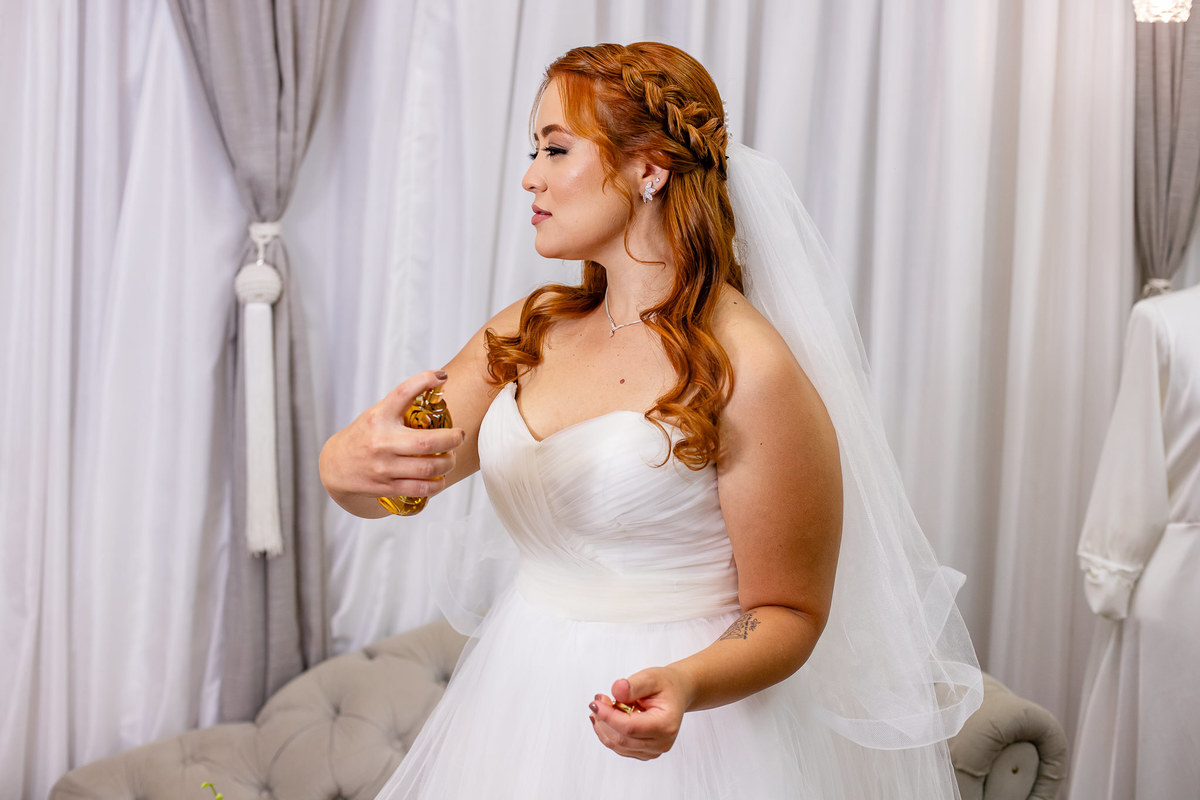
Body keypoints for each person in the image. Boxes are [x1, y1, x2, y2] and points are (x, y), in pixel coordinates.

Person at [320, 42, 981, 799]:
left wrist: (686, 683)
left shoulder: (749, 369)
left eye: (555, 149)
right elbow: (397, 482)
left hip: (693, 736)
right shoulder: (525, 334)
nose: (530, 176)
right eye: (534, 151)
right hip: (514, 703)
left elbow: (789, 611)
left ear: (649, 169)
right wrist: (343, 467)